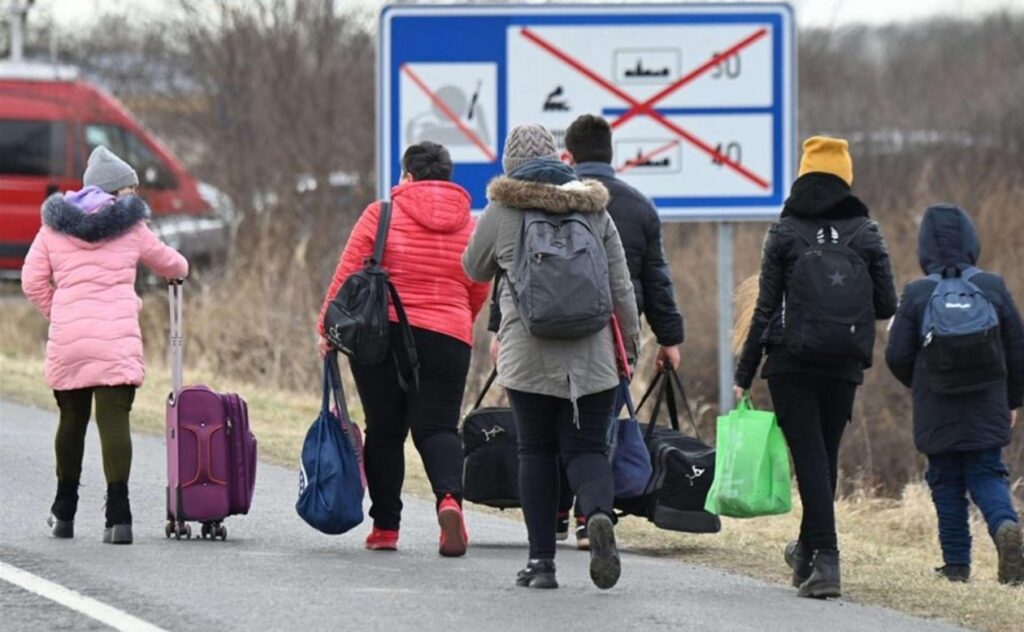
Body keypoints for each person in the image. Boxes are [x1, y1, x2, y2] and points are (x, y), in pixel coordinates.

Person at [463, 124, 640, 590]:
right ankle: (598, 514)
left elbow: (472, 266)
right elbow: (621, 286)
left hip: (527, 353)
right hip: (593, 355)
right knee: (585, 449)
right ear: (559, 160)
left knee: (536, 451)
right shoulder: (594, 208)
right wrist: (633, 349)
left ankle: (541, 563)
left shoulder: (503, 209)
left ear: (509, 164)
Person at [732, 136, 897, 598]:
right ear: (846, 176)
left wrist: (743, 374)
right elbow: (887, 303)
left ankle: (826, 560)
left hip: (790, 361)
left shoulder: (785, 231)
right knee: (824, 457)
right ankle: (806, 552)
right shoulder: (867, 232)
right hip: (843, 362)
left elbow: (765, 310)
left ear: (803, 174)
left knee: (809, 460)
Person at [317, 141, 489, 557]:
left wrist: (327, 326)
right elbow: (479, 283)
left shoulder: (382, 214)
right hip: (448, 335)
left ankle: (385, 528)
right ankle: (449, 500)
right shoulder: (471, 224)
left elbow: (349, 272)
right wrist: (457, 319)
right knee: (438, 427)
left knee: (385, 428)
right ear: (449, 178)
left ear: (407, 177)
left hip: (382, 333)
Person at [21, 146, 189, 545]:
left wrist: (59, 311)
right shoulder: (132, 227)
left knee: (71, 421)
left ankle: (63, 513)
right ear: (116, 191)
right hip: (115, 340)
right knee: (114, 422)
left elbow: (31, 281)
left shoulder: (53, 227)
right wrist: (179, 270)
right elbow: (174, 265)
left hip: (69, 339)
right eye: (130, 188)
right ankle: (120, 517)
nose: (134, 194)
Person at [559, 114, 685, 548]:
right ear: (612, 157)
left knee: (553, 418)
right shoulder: (638, 206)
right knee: (600, 426)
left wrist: (501, 330)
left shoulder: (553, 200)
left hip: (553, 332)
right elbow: (657, 281)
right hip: (616, 337)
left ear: (568, 156)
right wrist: (669, 339)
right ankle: (587, 515)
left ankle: (557, 509)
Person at [885, 204, 1024, 586]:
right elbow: (1017, 348)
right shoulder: (992, 286)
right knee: (986, 472)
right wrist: (1013, 399)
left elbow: (896, 355)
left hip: (937, 403)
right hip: (988, 401)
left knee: (945, 480)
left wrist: (921, 384)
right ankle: (1005, 525)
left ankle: (957, 566)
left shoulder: (916, 292)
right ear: (971, 241)